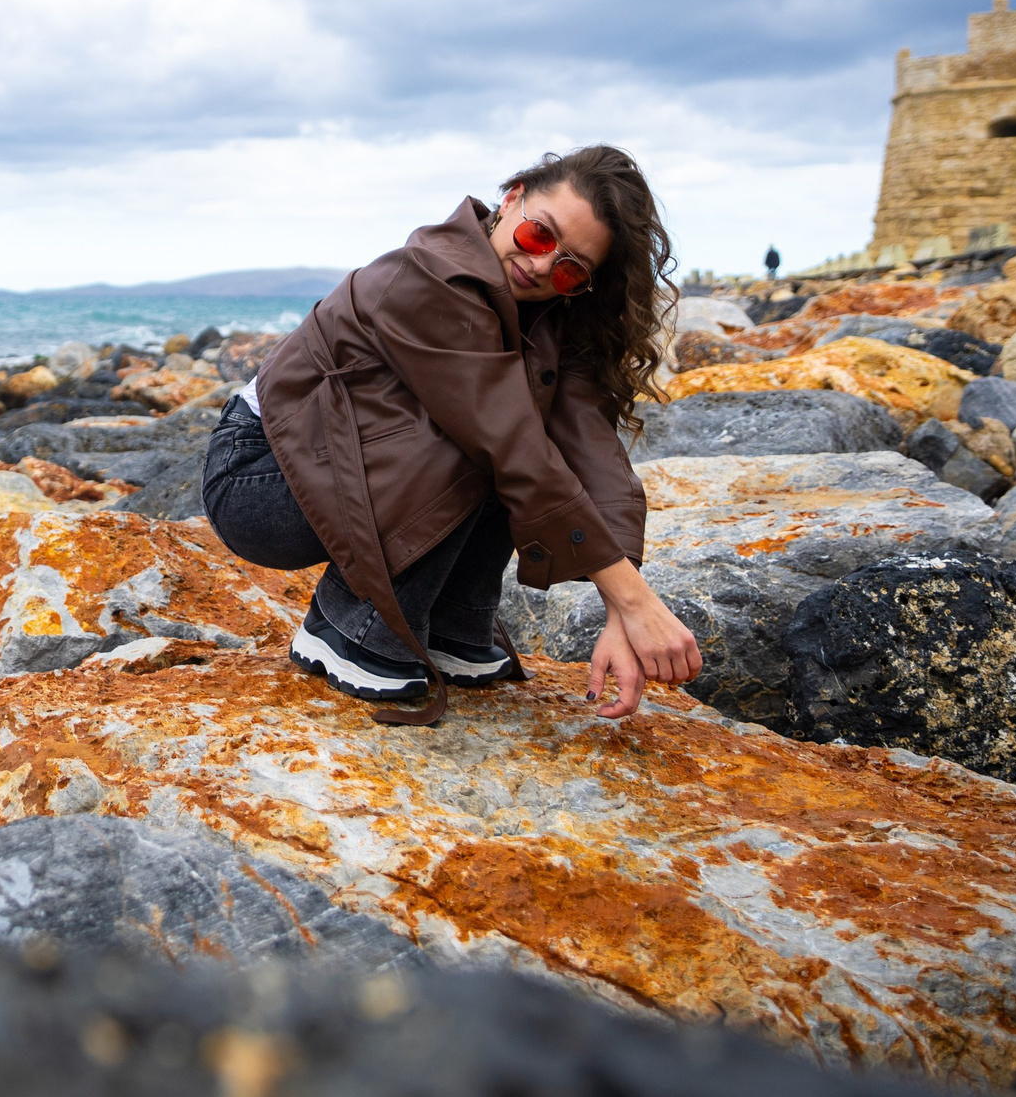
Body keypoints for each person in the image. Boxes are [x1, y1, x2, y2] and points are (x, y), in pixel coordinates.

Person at [201, 145, 700, 725]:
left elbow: (591, 446)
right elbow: (511, 447)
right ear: (512, 199)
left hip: (333, 470)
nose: (542, 266)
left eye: (569, 269)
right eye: (540, 236)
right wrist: (635, 603)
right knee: (486, 434)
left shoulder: (552, 314)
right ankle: (354, 627)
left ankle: (452, 622)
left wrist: (625, 606)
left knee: (515, 424)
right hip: (259, 475)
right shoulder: (429, 275)